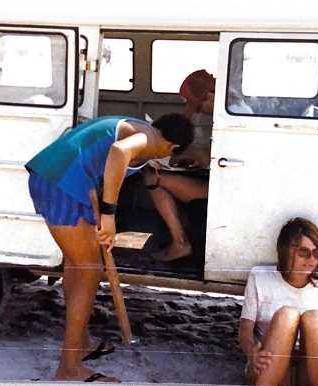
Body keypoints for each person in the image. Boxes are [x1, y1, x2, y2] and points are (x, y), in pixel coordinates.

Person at [25, 114, 195, 382]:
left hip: (61, 180)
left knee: (77, 264)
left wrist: (95, 205)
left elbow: (91, 161)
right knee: (90, 270)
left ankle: (81, 342)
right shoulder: (148, 139)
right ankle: (68, 369)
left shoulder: (138, 125)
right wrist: (108, 215)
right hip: (60, 184)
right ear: (172, 148)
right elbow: (118, 152)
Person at [238, 217, 318, 386]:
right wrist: (252, 352)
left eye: (317, 253)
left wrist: (306, 352)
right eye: (304, 252)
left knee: (314, 318)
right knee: (287, 315)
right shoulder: (259, 277)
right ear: (286, 251)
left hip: (308, 369)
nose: (311, 260)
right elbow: (244, 333)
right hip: (268, 363)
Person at [144, 69, 213, 261]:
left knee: (153, 179)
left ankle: (180, 243)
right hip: (217, 181)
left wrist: (177, 144)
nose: (198, 112)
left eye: (198, 107)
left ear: (210, 96)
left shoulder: (229, 117)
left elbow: (208, 157)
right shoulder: (235, 111)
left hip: (223, 190)